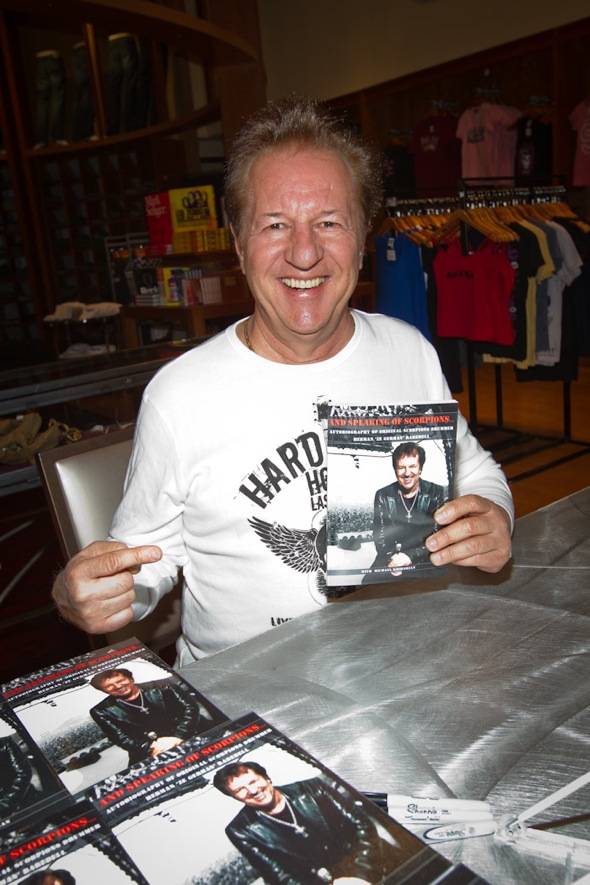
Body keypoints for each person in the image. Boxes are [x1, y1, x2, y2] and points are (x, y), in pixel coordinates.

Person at [52, 96, 513, 665]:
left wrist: (495, 515)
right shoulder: (180, 396)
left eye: (329, 223)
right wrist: (93, 593)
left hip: (396, 660)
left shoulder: (407, 350)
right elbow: (146, 564)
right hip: (244, 689)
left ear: (362, 238)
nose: (304, 253)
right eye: (275, 225)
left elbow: (474, 470)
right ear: (238, 243)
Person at [213, 762, 399, 883]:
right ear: (235, 798)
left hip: (376, 863)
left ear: (268, 779)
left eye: (253, 781)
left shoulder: (312, 788)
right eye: (240, 790)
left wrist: (361, 876)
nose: (252, 791)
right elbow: (279, 877)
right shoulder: (240, 830)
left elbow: (363, 827)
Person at [89, 667, 213, 764]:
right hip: (149, 748)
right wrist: (153, 747)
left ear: (131, 679)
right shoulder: (101, 711)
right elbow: (120, 738)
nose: (118, 686)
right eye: (109, 686)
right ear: (104, 691)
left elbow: (190, 708)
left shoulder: (163, 685)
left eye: (120, 681)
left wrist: (178, 737)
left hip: (190, 731)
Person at [366, 442, 446, 578]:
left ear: (420, 468)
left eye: (412, 466)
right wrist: (393, 558)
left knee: (435, 582)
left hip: (425, 554)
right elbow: (380, 535)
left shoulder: (436, 492)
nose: (407, 473)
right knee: (368, 581)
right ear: (395, 470)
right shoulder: (383, 495)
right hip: (391, 555)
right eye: (401, 468)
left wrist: (411, 556)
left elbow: (438, 534)